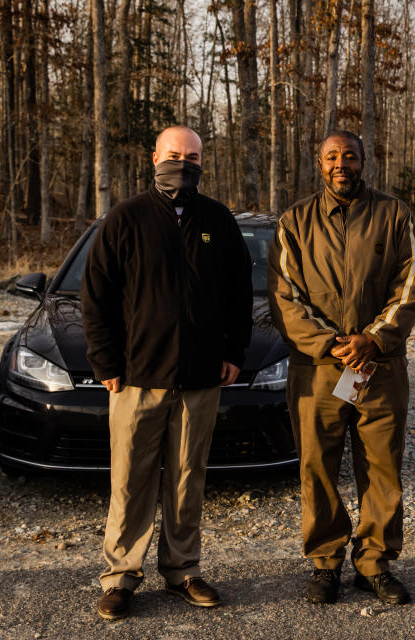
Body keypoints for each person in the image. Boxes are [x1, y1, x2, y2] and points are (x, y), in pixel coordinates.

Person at [81, 126, 253, 621]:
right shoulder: (125, 218)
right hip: (136, 378)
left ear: (203, 162)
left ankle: (182, 571)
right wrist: (106, 363)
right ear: (154, 157)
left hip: (200, 379)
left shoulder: (217, 220)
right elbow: (96, 298)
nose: (183, 163)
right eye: (174, 155)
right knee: (130, 483)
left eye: (192, 156)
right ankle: (120, 577)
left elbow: (240, 293)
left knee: (186, 480)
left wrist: (234, 351)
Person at [268, 131, 415, 605]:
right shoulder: (295, 221)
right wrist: (332, 346)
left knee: (382, 467)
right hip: (318, 370)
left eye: (350, 156)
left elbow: (411, 282)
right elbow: (285, 296)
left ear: (363, 161)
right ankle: (325, 562)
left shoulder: (394, 214)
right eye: (332, 157)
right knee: (317, 466)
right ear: (320, 164)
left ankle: (375, 563)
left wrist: (373, 340)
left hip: (380, 369)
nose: (342, 164)